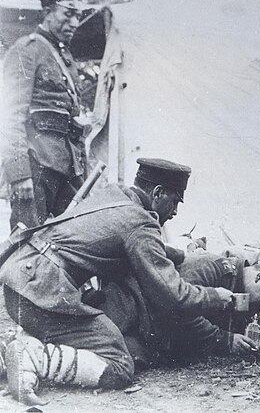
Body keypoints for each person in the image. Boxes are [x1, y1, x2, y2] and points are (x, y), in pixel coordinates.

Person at [0, 158, 234, 405]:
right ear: (157, 193)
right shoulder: (141, 223)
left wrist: (180, 255)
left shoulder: (113, 195)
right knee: (120, 363)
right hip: (44, 293)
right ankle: (34, 356)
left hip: (21, 282)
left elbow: (125, 241)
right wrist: (215, 296)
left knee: (90, 334)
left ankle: (7, 353)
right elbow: (172, 295)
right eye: (175, 201)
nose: (175, 212)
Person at [98, 250, 260, 367]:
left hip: (152, 341)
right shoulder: (211, 268)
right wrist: (225, 340)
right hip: (130, 314)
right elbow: (177, 311)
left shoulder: (246, 296)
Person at [1, 0, 88, 229]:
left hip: (69, 170)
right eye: (68, 14)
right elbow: (9, 117)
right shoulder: (26, 51)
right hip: (36, 170)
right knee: (26, 248)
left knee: (75, 242)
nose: (74, 23)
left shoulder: (65, 58)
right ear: (48, 11)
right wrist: (19, 176)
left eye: (78, 16)